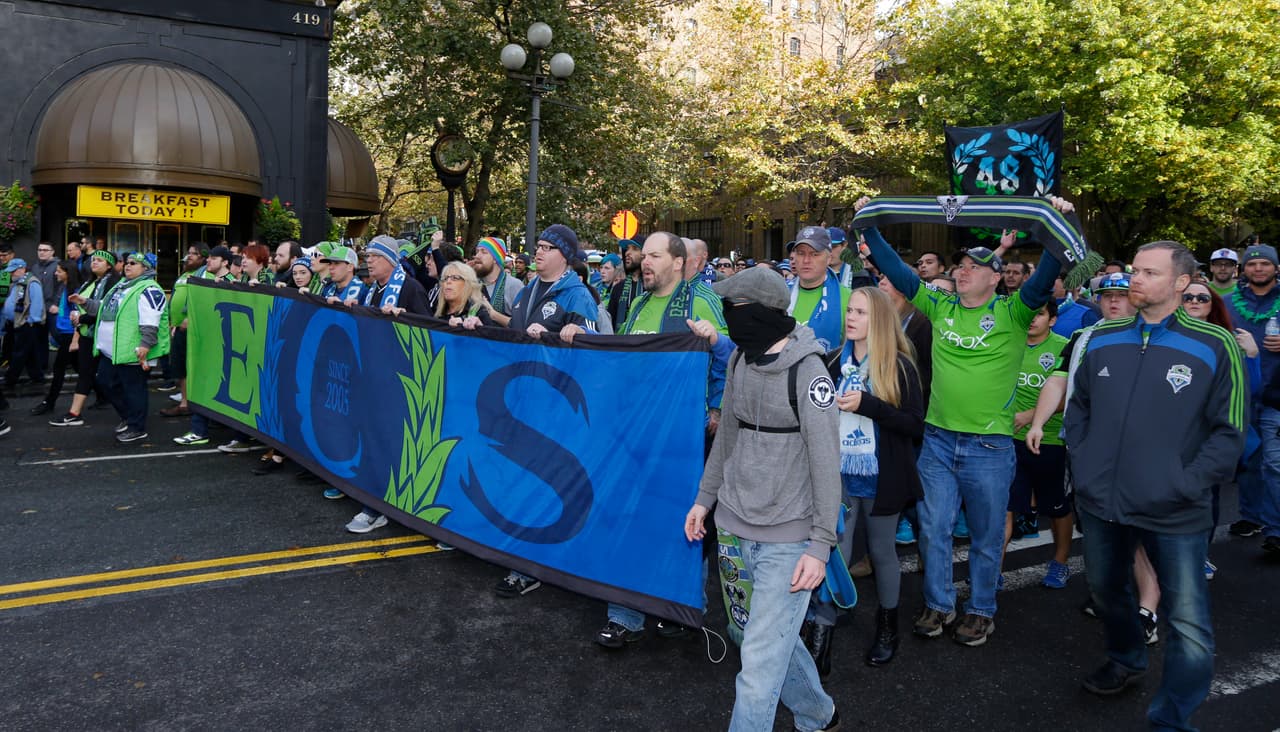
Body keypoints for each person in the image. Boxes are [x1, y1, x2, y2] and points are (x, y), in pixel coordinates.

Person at [859, 198, 1068, 647]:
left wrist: (1056, 222)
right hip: (937, 440)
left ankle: (981, 610)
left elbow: (1049, 273)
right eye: (961, 265)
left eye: (976, 266)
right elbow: (897, 272)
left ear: (997, 277)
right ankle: (938, 603)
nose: (963, 270)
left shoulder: (1015, 312)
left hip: (989, 447)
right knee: (933, 529)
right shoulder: (939, 305)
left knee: (987, 536)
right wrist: (871, 226)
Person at [1066, 240, 1245, 730]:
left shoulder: (1214, 344)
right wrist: (1084, 465)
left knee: (1188, 624)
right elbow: (1078, 408)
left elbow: (1230, 431)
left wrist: (1186, 483)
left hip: (1176, 508)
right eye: (1133, 271)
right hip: (1102, 500)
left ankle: (1172, 718)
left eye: (1147, 273)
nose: (1133, 280)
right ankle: (1126, 658)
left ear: (1182, 282)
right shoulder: (1103, 336)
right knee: (1105, 590)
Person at [685, 265, 841, 732]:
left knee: (756, 667)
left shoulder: (810, 374)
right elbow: (728, 438)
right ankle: (817, 713)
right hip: (733, 526)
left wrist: (820, 545)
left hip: (788, 541)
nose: (726, 318)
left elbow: (826, 465)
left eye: (732, 309)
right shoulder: (739, 360)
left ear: (755, 312)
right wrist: (704, 501)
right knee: (763, 637)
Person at [566, 231, 731, 648]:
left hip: (679, 436)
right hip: (633, 431)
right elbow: (622, 357)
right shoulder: (636, 301)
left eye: (655, 256)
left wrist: (716, 407)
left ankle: (676, 606)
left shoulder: (701, 301)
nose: (645, 262)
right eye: (645, 256)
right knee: (627, 517)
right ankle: (625, 615)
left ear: (679, 262)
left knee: (681, 522)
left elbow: (726, 355)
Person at [806, 285, 924, 673]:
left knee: (882, 552)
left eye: (860, 312)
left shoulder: (900, 365)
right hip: (837, 475)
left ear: (880, 320)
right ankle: (821, 637)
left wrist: (869, 405)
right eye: (850, 311)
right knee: (831, 551)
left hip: (881, 475)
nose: (851, 318)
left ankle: (887, 628)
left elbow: (912, 425)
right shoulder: (834, 359)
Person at [1001, 299, 1072, 587]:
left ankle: (1061, 561)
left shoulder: (1064, 346)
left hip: (1050, 441)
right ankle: (994, 570)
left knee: (1056, 507)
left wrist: (1031, 416)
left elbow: (1070, 396)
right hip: (1007, 441)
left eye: (1040, 314)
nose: (1032, 319)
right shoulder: (1008, 342)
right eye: (1029, 314)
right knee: (1003, 507)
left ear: (1052, 320)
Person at [69, 252, 171, 443]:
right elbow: (105, 307)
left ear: (146, 268)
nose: (128, 266)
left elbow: (151, 321)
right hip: (112, 351)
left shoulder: (149, 289)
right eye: (127, 263)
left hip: (133, 352)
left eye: (134, 263)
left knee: (134, 389)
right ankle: (130, 415)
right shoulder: (122, 285)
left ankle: (136, 427)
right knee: (106, 382)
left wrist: (145, 345)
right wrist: (85, 302)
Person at [1224, 242, 1280, 547]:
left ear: (1275, 268)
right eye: (1252, 264)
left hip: (1275, 396)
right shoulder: (1228, 303)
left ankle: (1275, 529)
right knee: (1246, 458)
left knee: (1273, 463)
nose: (1258, 269)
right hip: (1238, 394)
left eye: (1265, 264)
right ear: (1243, 269)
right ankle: (1251, 516)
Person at [48, 250, 121, 426]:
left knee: (111, 378)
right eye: (93, 260)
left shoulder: (112, 283)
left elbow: (106, 311)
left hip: (103, 334)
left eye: (99, 260)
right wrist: (77, 318)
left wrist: (81, 318)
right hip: (87, 333)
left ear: (109, 265)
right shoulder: (92, 281)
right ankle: (74, 413)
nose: (94, 263)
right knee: (86, 373)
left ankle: (131, 415)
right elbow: (84, 306)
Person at [788, 226, 852, 351]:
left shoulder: (848, 298)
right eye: (801, 253)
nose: (806, 260)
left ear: (828, 258)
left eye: (815, 254)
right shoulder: (779, 293)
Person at [30, 263, 74, 416]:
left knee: (59, 369)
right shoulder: (63, 287)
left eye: (59, 271)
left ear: (68, 273)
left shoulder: (73, 291)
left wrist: (74, 339)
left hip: (71, 336)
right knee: (82, 370)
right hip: (65, 335)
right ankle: (103, 396)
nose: (56, 274)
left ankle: (49, 402)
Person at [2, 258, 45, 390]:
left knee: (18, 353)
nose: (11, 274)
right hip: (17, 322)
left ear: (22, 269)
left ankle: (10, 380)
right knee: (29, 352)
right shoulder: (17, 282)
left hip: (26, 323)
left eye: (13, 271)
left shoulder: (32, 283)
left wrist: (31, 320)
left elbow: (37, 302)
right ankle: (37, 377)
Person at [470, 236, 522, 326]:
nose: (477, 256)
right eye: (477, 251)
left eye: (484, 252)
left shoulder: (514, 285)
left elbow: (521, 325)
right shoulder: (472, 283)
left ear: (495, 259)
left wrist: (493, 314)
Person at [436, 261, 492, 328]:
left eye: (455, 278)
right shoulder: (436, 311)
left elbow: (494, 336)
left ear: (468, 284)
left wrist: (480, 328)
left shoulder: (479, 313)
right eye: (445, 278)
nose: (448, 281)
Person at [607, 239, 644, 327]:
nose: (627, 253)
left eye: (634, 249)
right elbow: (610, 322)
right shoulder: (618, 288)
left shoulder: (653, 287)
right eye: (627, 249)